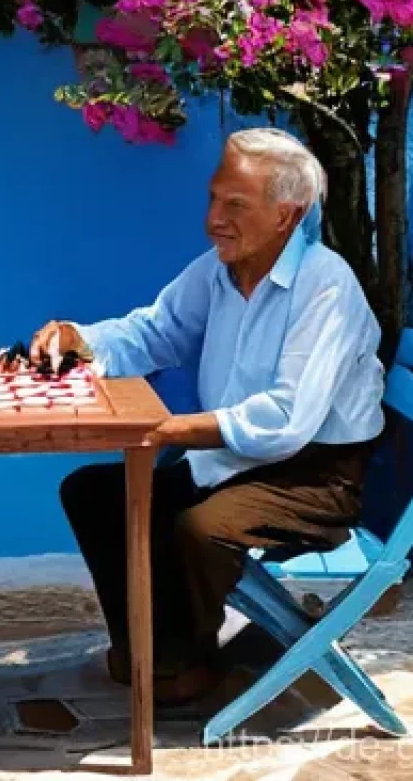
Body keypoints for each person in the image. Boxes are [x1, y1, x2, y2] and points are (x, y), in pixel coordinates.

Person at [32, 127, 384, 705]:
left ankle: (193, 661)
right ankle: (152, 649)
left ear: (286, 216)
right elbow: (157, 330)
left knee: (199, 527)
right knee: (95, 493)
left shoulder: (326, 287)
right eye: (214, 199)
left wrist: (168, 431)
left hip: (315, 475)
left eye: (235, 205)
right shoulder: (222, 267)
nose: (213, 219)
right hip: (237, 455)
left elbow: (288, 417)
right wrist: (79, 336)